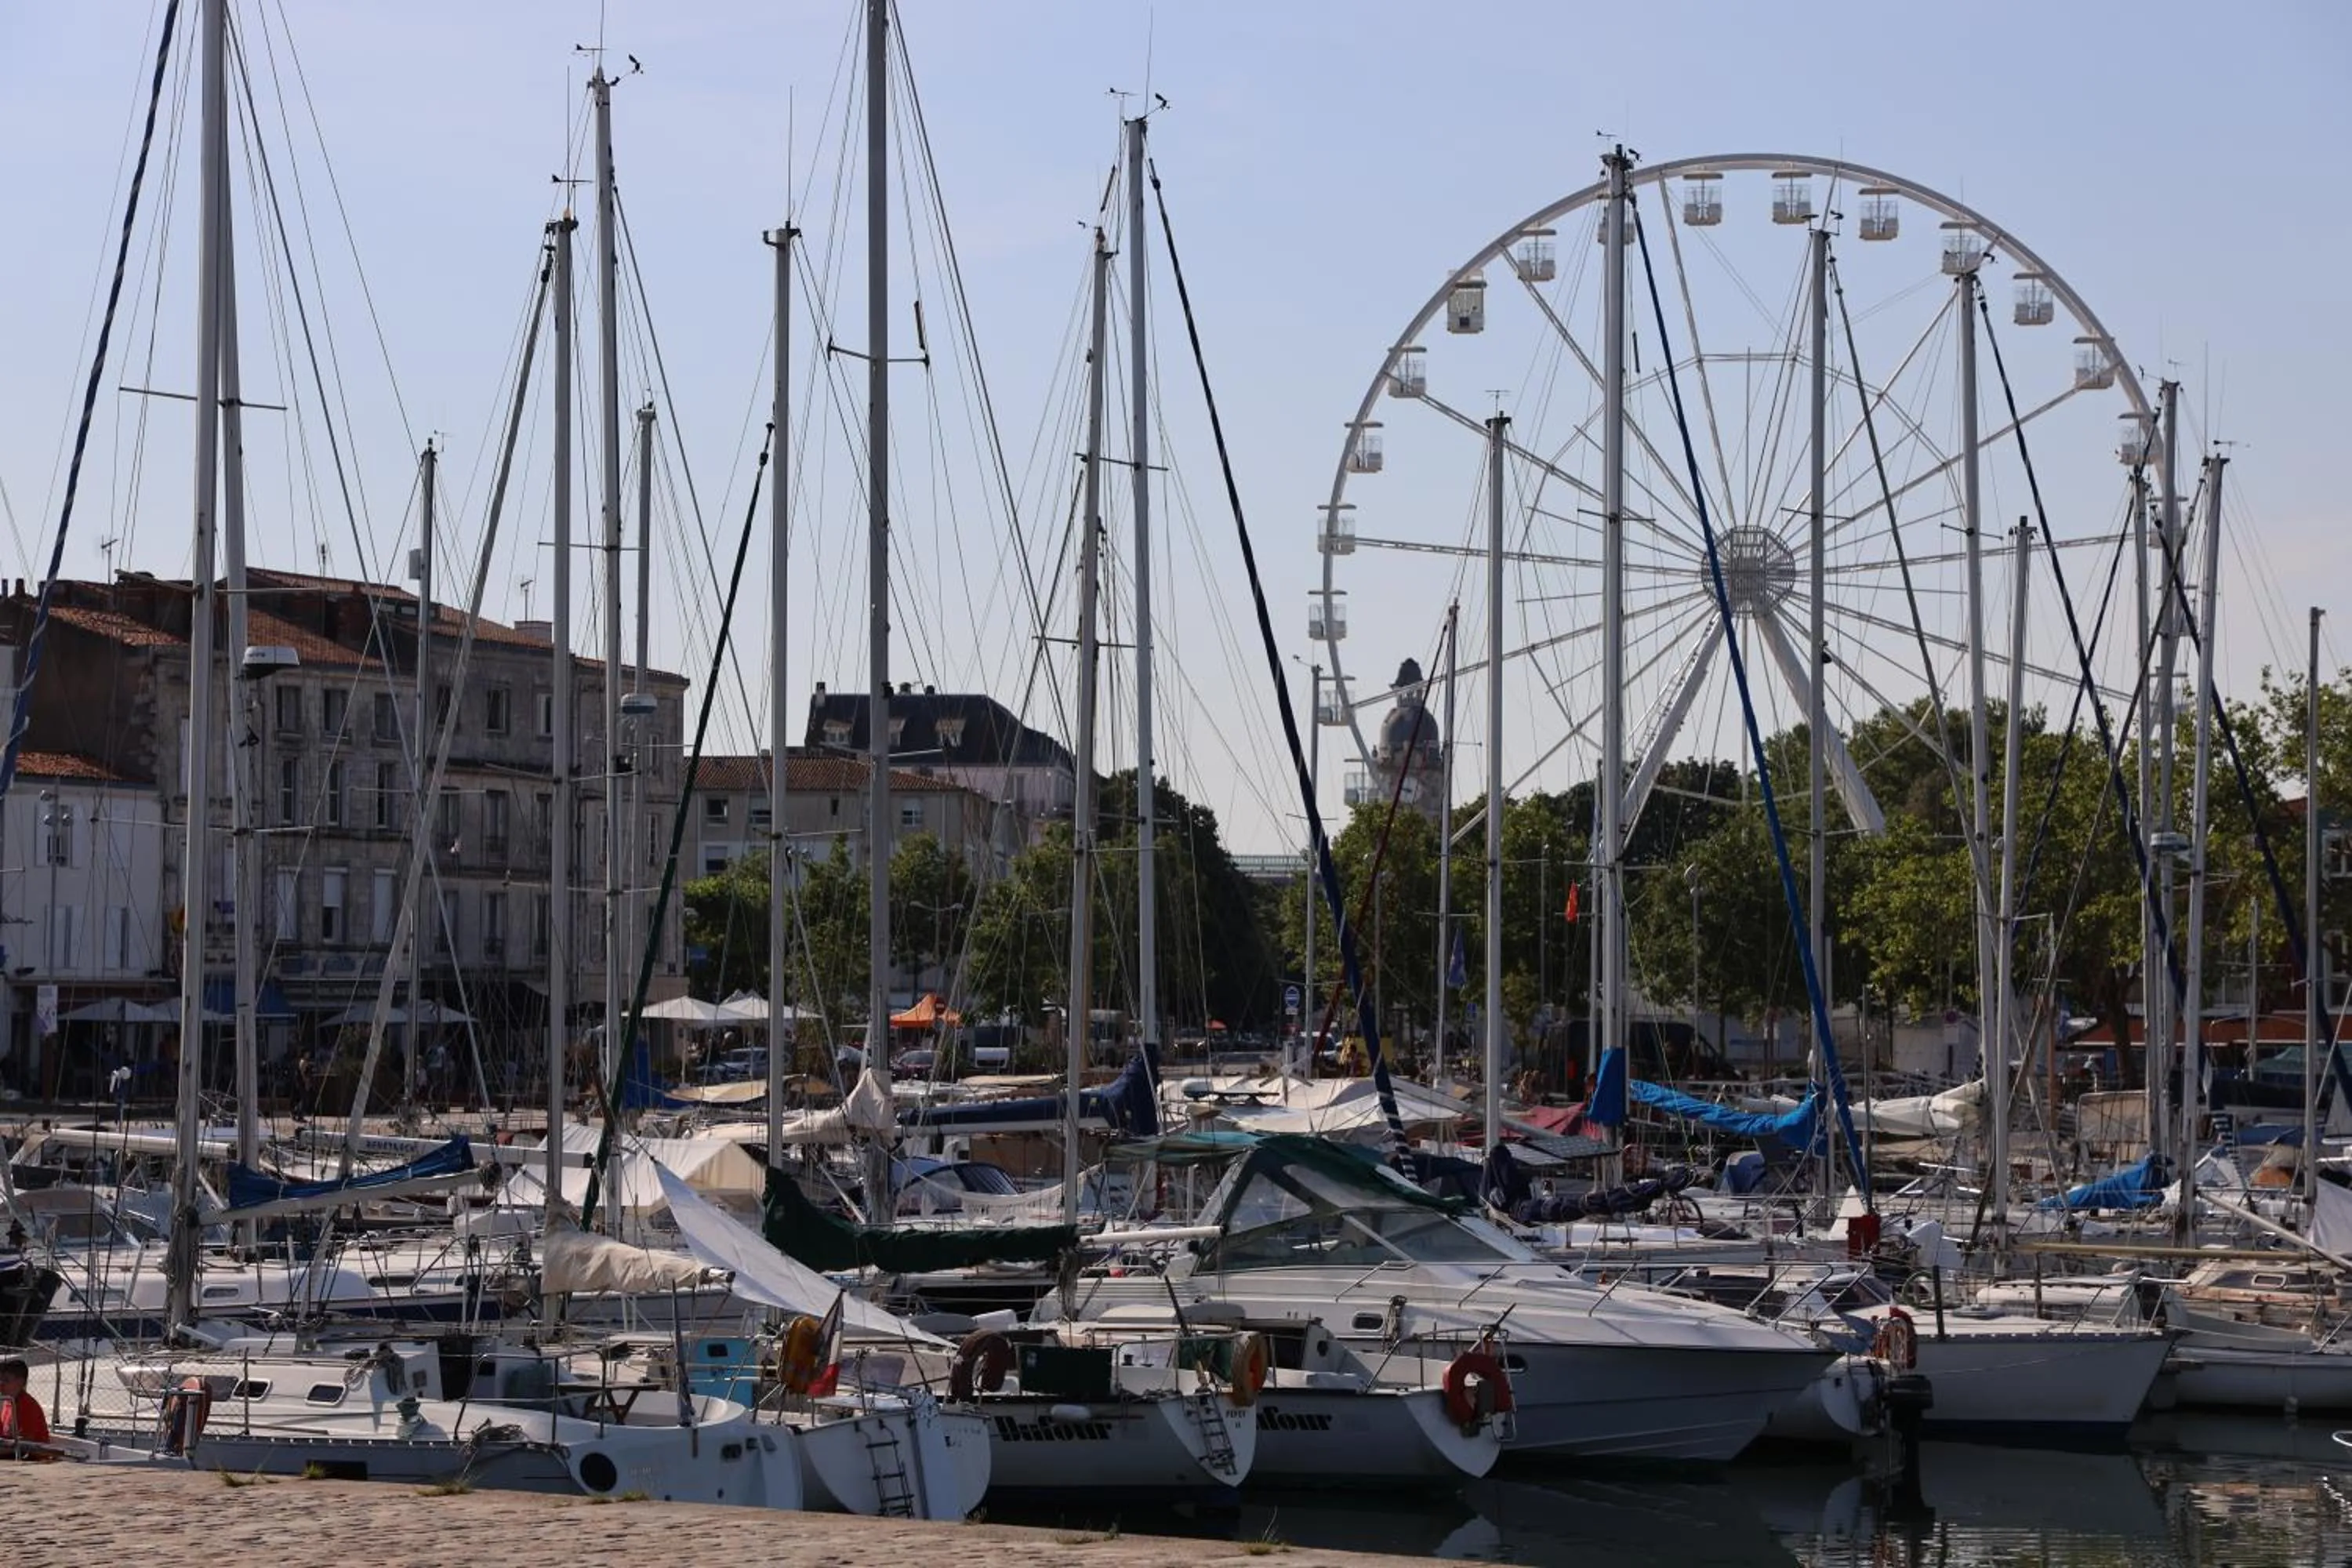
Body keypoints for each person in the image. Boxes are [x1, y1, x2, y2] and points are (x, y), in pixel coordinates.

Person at [0, 1356, 52, 1457]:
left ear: (20, 1382)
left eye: (6, 1380)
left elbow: (25, 1445)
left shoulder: (28, 1406)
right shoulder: (7, 1402)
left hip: (32, 1460)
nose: (1, 1384)